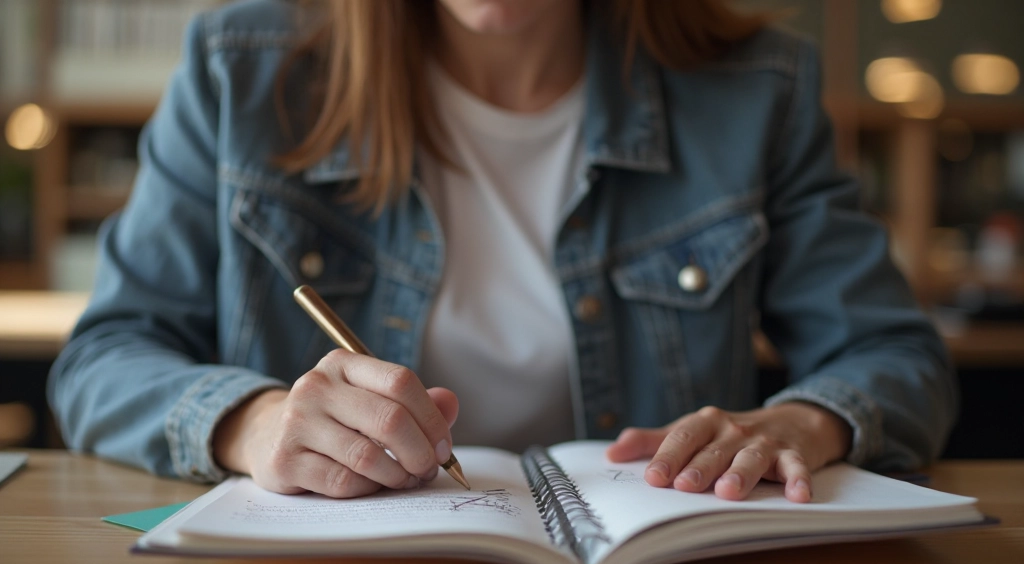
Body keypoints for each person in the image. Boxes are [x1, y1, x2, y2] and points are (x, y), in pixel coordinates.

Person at [49, 0, 956, 504]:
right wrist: (253, 425)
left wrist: (798, 425)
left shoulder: (758, 89)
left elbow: (896, 356)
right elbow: (102, 359)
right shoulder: (238, 70)